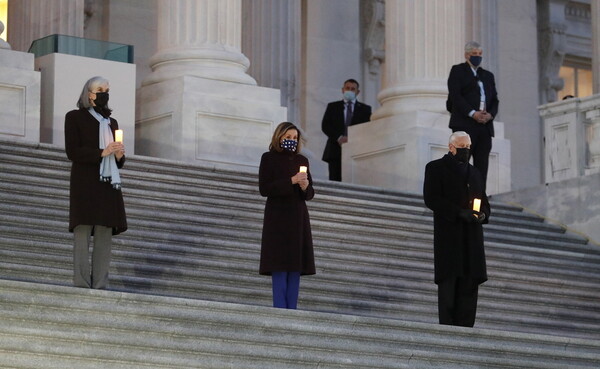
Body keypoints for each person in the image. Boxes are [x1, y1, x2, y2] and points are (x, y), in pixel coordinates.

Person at [65, 76, 127, 289]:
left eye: (107, 89)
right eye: (100, 89)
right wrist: (103, 151)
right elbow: (72, 151)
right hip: (85, 181)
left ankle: (101, 283)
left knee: (104, 232)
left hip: (108, 183)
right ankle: (81, 283)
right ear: (89, 94)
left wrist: (118, 155)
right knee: (82, 232)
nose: (104, 93)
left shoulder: (112, 122)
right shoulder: (74, 117)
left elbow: (118, 161)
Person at [423, 131, 490, 327]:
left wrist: (483, 214)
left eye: (468, 148)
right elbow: (432, 198)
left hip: (472, 236)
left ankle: (467, 327)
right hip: (449, 235)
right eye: (462, 148)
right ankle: (448, 327)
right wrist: (459, 213)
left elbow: (484, 201)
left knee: (470, 284)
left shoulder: (475, 172)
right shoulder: (435, 168)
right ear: (451, 147)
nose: (466, 151)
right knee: (449, 284)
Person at [259, 122, 316, 309]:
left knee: (295, 266)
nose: (291, 141)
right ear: (279, 137)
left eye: (294, 138)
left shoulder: (302, 161)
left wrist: (305, 186)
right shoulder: (268, 158)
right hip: (277, 218)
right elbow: (264, 188)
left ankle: (292, 309)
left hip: (298, 218)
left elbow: (310, 194)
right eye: (288, 137)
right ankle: (279, 308)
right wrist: (291, 181)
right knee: (279, 264)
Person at [447, 41, 499, 188]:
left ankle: (478, 196)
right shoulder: (458, 71)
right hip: (465, 123)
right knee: (461, 161)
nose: (477, 57)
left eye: (479, 54)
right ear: (466, 55)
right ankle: (458, 192)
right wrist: (472, 113)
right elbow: (456, 96)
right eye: (474, 54)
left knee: (482, 164)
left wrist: (490, 115)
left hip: (484, 126)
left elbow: (495, 99)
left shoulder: (487, 75)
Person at [321, 78, 372, 181]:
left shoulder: (365, 109)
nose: (349, 90)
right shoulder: (333, 106)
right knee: (335, 181)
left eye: (353, 89)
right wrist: (339, 138)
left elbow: (367, 128)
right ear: (342, 90)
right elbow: (325, 125)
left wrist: (352, 139)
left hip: (356, 150)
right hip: (335, 149)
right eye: (347, 88)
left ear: (358, 92)